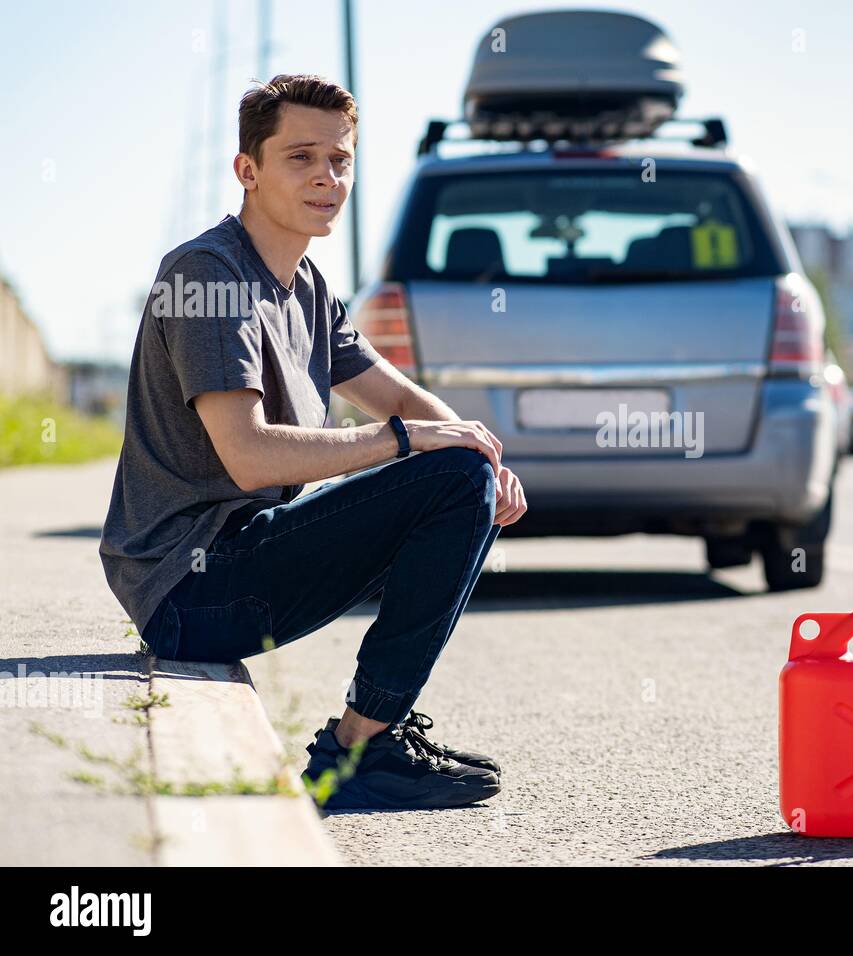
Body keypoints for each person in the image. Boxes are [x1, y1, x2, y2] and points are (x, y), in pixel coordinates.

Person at [99, 74, 526, 810]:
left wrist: (479, 450)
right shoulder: (209, 277)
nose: (327, 178)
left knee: (462, 473)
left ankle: (371, 738)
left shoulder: (306, 286)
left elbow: (395, 395)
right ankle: (362, 749)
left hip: (241, 563)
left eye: (340, 160)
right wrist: (416, 444)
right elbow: (251, 454)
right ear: (248, 170)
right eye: (301, 158)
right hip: (190, 587)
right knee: (450, 475)